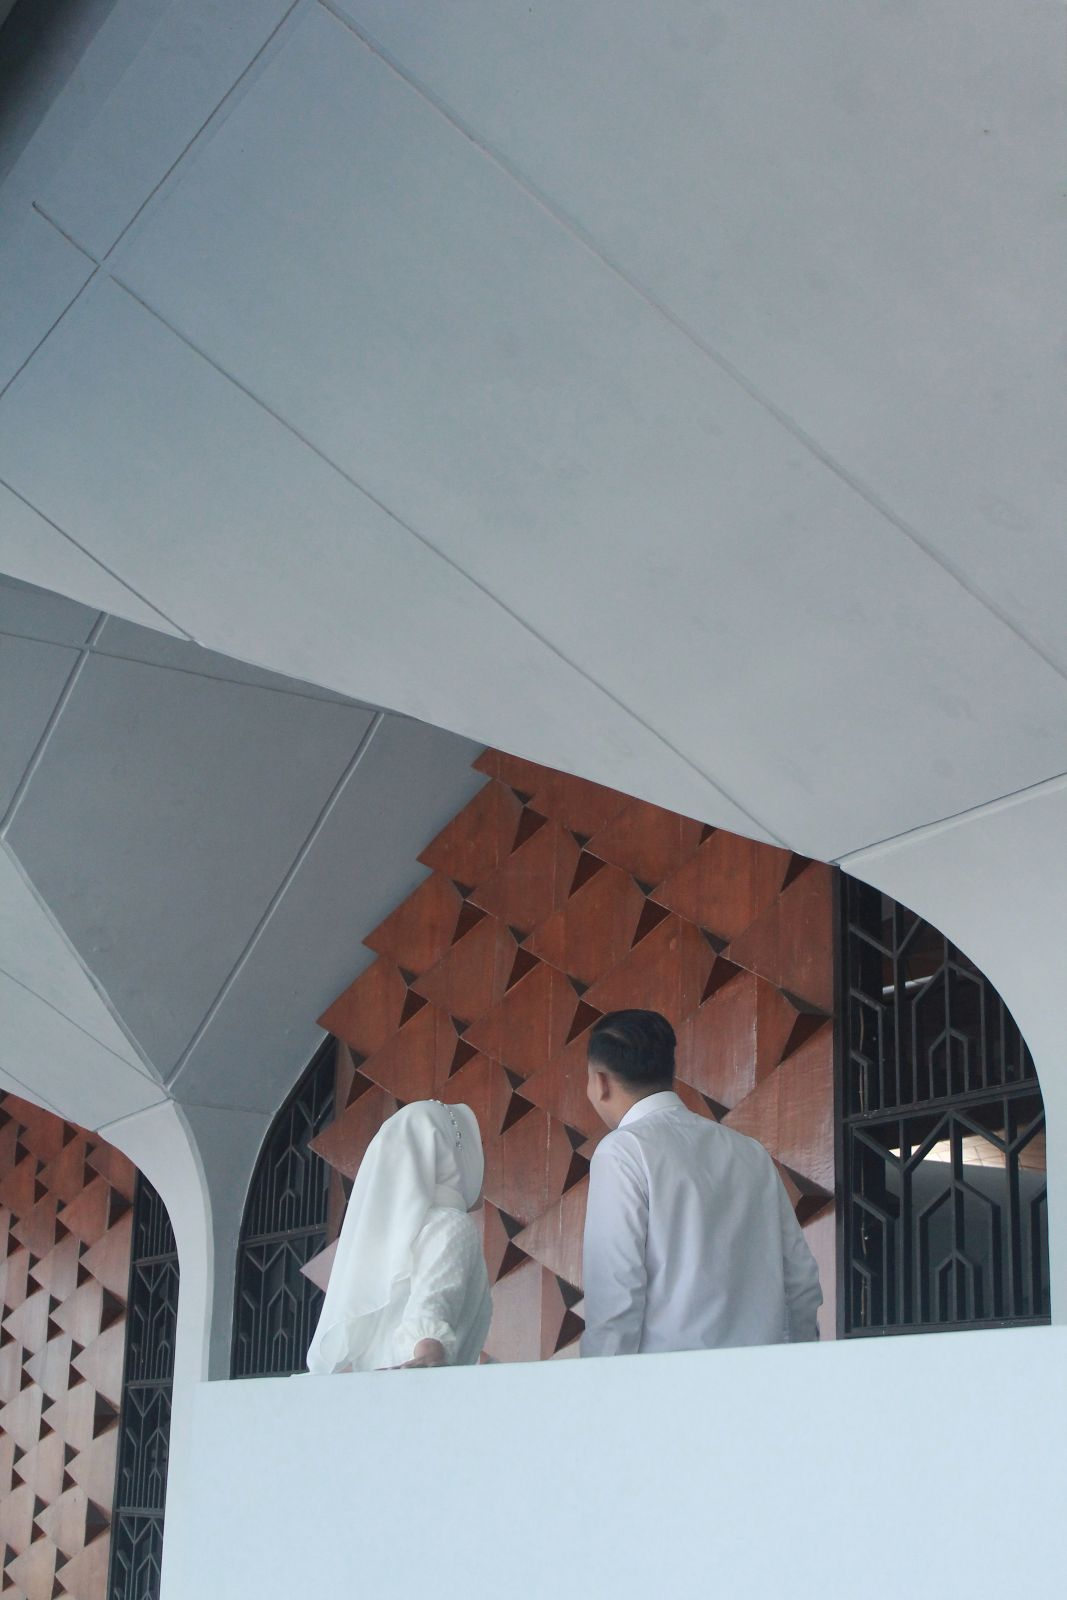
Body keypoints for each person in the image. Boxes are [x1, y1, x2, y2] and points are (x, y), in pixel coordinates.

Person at [581, 1009, 822, 1357]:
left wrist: (599, 1385)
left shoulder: (622, 1151)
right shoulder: (750, 1152)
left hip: (667, 1383)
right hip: (759, 1379)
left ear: (601, 1082)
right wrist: (793, 1365)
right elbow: (800, 1280)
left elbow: (615, 1302)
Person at [306, 1099, 491, 1373]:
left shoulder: (384, 1236)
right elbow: (431, 1309)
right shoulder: (450, 1224)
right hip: (418, 1389)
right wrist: (428, 1350)